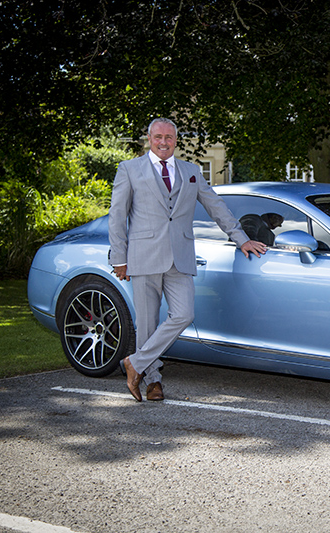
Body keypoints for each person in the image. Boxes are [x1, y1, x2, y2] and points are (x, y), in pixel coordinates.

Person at [108, 117, 267, 402]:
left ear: (176, 140)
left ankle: (135, 363)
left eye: (169, 137)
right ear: (149, 138)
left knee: (184, 314)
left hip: (180, 257)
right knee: (145, 325)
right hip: (143, 257)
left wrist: (241, 238)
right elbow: (117, 216)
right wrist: (119, 257)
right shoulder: (129, 169)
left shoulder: (191, 171)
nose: (163, 142)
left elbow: (215, 205)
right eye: (158, 137)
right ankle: (153, 381)